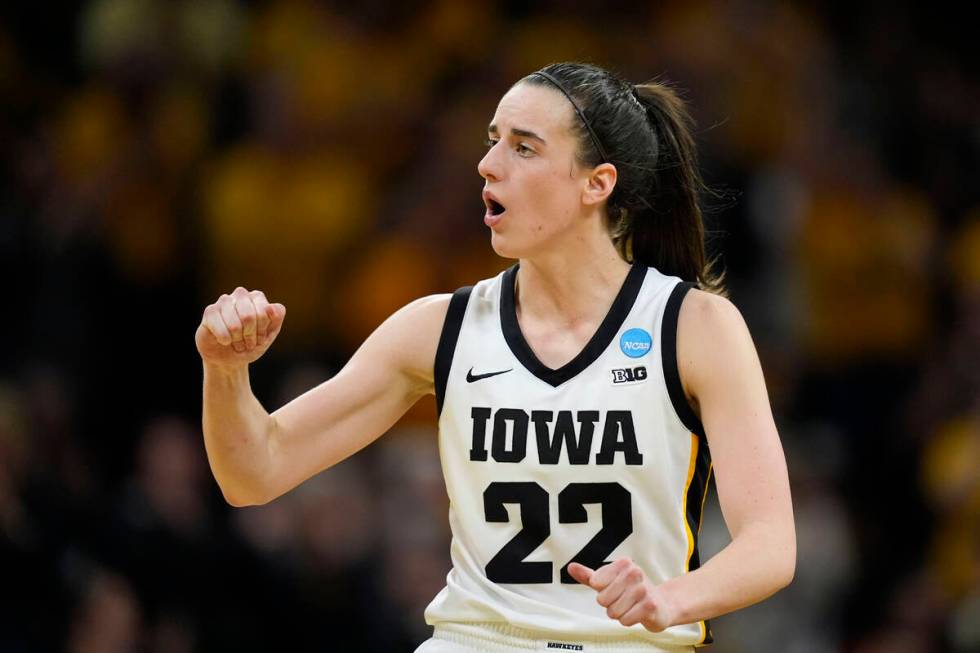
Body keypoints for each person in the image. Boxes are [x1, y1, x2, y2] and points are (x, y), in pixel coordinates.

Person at [196, 62, 796, 652]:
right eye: (492, 142)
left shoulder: (694, 326)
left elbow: (770, 543)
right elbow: (254, 473)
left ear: (597, 183)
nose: (487, 164)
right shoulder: (439, 328)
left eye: (524, 148)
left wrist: (674, 599)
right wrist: (225, 372)